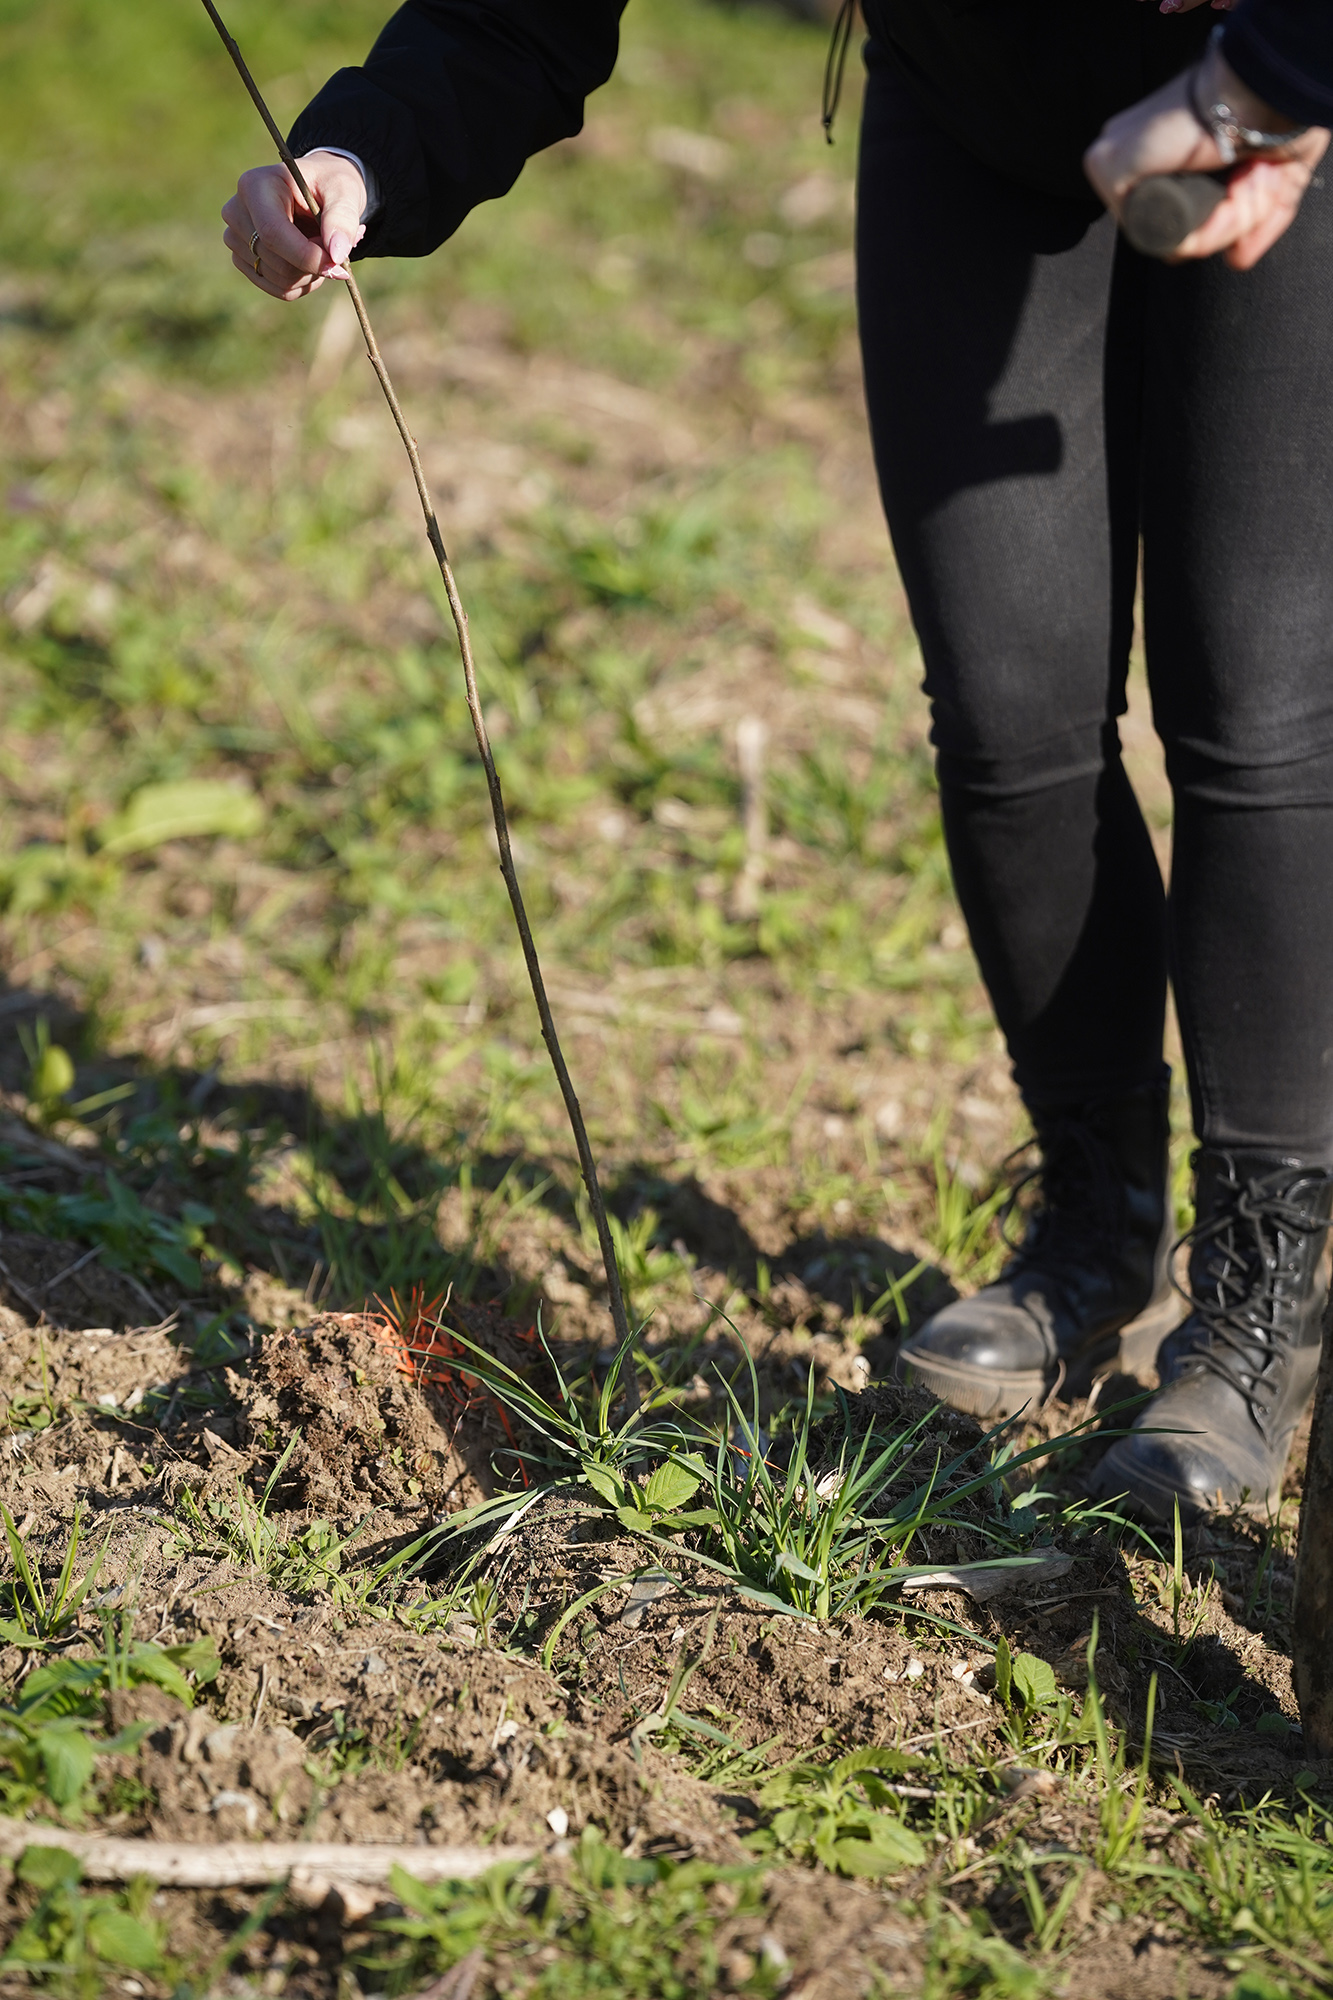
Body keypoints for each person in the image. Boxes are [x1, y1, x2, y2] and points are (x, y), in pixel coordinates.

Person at [221, 0, 1332, 1525]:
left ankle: (1262, 1291)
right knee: (1006, 712)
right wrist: (360, 156)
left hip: (1275, 85)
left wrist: (1269, 79)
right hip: (974, 109)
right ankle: (1096, 1225)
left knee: (1254, 712)